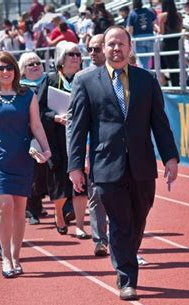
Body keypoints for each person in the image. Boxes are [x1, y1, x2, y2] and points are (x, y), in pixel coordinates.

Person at [67, 26, 179, 301]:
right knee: (119, 222)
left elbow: (160, 123)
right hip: (106, 165)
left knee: (138, 218)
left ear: (129, 49)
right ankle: (127, 278)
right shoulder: (85, 81)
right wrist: (75, 165)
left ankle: (124, 258)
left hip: (142, 164)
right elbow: (78, 127)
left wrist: (170, 158)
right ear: (103, 48)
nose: (116, 49)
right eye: (111, 44)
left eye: (121, 44)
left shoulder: (146, 79)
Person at [0, 51, 51, 278]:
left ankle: (16, 256)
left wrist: (46, 149)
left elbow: (36, 125)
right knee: (4, 206)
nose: (5, 72)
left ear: (15, 71)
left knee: (19, 210)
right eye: (0, 68)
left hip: (23, 158)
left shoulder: (27, 95)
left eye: (9, 67)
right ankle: (5, 257)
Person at [40, 41, 89, 239]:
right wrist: (55, 117)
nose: (76, 57)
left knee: (81, 182)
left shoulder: (85, 79)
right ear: (61, 57)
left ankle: (79, 225)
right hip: (57, 138)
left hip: (79, 137)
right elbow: (40, 109)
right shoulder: (50, 80)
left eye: (78, 54)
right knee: (59, 181)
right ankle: (59, 212)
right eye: (71, 54)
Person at [71, 34, 110, 257]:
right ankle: (100, 240)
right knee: (96, 196)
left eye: (96, 49)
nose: (92, 53)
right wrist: (81, 154)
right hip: (94, 150)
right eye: (90, 49)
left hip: (120, 152)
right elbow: (78, 121)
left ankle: (120, 239)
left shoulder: (127, 75)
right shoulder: (82, 79)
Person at [19, 52, 49, 225]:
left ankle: (39, 205)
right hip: (28, 133)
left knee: (44, 170)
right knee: (32, 171)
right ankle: (31, 210)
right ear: (23, 70)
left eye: (37, 62)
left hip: (49, 130)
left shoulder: (49, 81)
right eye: (30, 64)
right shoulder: (21, 88)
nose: (35, 66)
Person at [127, 0, 158, 69]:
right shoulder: (149, 11)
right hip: (150, 37)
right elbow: (156, 22)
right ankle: (151, 75)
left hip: (138, 39)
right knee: (150, 60)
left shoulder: (132, 14)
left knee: (143, 62)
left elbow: (129, 29)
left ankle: (146, 77)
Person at [158, 0, 183, 86]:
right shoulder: (178, 15)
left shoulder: (163, 16)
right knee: (175, 64)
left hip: (167, 41)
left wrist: (156, 29)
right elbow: (180, 29)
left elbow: (161, 31)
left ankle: (170, 84)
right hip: (176, 40)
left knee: (167, 64)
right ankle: (176, 83)